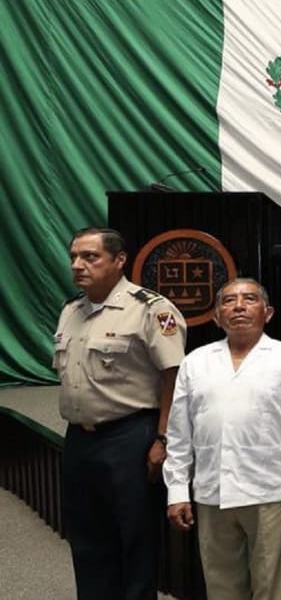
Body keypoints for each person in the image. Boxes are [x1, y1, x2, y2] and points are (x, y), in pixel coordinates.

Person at [54, 226, 186, 600]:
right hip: (80, 438)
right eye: (74, 257)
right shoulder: (70, 311)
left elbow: (173, 377)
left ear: (119, 260)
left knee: (136, 540)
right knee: (87, 539)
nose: (78, 265)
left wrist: (163, 439)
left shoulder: (150, 309)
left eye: (90, 257)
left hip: (130, 437)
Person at [163, 278, 281, 600]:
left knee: (270, 588)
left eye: (249, 299)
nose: (239, 306)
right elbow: (178, 432)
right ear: (217, 317)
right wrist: (177, 491)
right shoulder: (195, 361)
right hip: (211, 490)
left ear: (267, 312)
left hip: (270, 491)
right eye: (229, 301)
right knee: (221, 588)